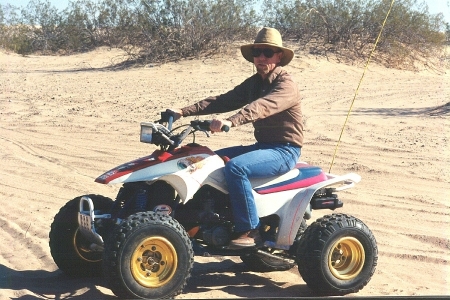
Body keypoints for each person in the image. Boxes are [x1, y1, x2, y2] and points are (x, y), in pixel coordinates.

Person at [168, 27, 303, 248]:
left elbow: (263, 107)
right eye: (257, 52)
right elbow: (223, 100)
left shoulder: (286, 85)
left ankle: (251, 230)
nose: (261, 57)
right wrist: (183, 111)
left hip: (285, 151)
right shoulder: (255, 83)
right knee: (205, 160)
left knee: (236, 168)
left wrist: (232, 121)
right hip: (264, 147)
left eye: (267, 53)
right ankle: (198, 219)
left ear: (279, 57)